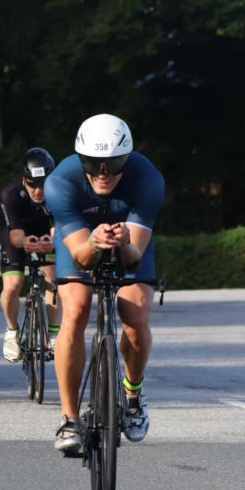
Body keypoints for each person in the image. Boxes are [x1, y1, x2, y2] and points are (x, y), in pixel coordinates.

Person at [44, 114, 164, 454]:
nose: (102, 173)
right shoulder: (60, 182)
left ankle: (132, 395)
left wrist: (123, 240)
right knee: (77, 309)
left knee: (136, 315)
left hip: (130, 246)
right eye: (93, 164)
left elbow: (133, 256)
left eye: (112, 164)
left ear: (125, 158)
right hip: (83, 243)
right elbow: (81, 257)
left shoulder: (147, 179)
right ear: (80, 160)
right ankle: (70, 419)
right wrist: (96, 243)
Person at [0, 148, 61, 362]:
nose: (38, 190)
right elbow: (16, 236)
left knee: (53, 278)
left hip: (45, 234)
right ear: (24, 179)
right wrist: (25, 243)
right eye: (32, 184)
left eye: (43, 184)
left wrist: (52, 241)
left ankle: (53, 333)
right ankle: (11, 331)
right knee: (13, 285)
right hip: (18, 235)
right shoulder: (11, 193)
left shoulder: (59, 191)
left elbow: (56, 227)